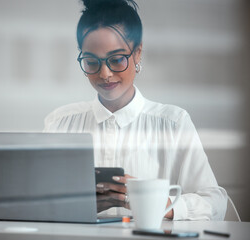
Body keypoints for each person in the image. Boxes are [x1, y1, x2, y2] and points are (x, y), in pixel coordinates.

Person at [44, 0, 227, 220]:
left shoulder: (174, 123)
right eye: (91, 61)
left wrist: (156, 201)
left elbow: (215, 202)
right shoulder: (60, 122)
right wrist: (72, 203)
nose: (105, 74)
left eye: (117, 59)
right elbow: (37, 199)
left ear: (138, 53)